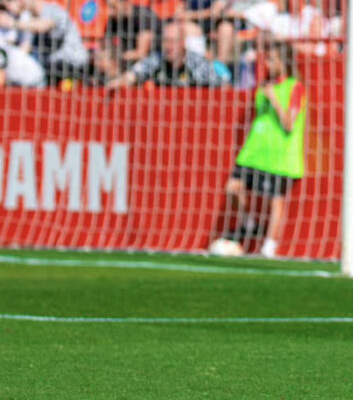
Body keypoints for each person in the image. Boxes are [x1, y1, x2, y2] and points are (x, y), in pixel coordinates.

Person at [209, 41, 306, 258]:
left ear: (284, 62)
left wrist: (274, 99)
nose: (268, 64)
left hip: (278, 154)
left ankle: (269, 246)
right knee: (233, 187)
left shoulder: (294, 86)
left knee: (275, 199)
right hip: (254, 151)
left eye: (272, 60)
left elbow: (289, 125)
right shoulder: (263, 85)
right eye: (267, 60)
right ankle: (248, 223)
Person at [0, 0, 90, 83]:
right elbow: (24, 49)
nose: (19, 0)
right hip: (50, 71)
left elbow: (45, 26)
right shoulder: (27, 19)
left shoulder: (54, 10)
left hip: (72, 65)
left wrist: (13, 23)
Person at [106, 21, 228, 89]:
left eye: (172, 41)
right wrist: (120, 81)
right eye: (165, 41)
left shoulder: (196, 63)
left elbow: (222, 86)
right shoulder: (156, 59)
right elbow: (134, 74)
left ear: (182, 42)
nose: (168, 46)